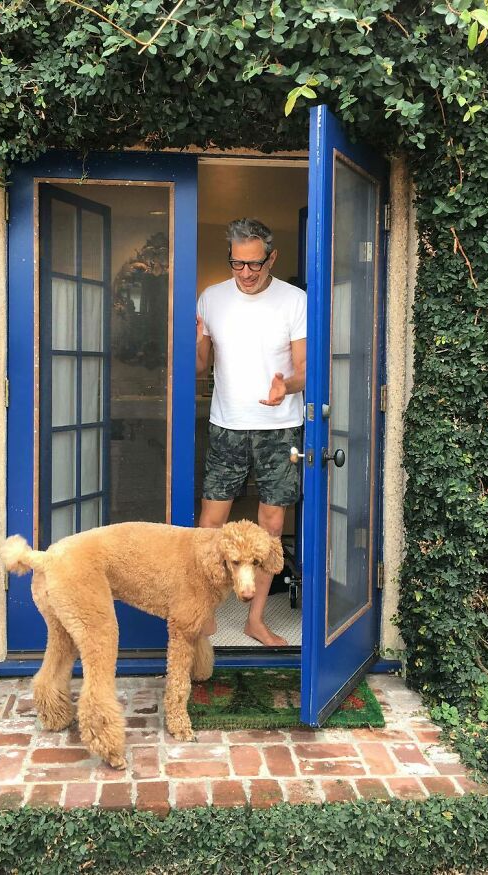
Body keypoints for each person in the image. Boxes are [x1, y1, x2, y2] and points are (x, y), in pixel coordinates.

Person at [196, 218, 306, 646]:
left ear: (271, 258)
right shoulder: (211, 298)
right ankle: (204, 614)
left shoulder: (295, 301)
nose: (245, 273)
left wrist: (286, 387)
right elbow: (199, 366)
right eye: (237, 264)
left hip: (280, 428)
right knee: (211, 525)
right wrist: (194, 341)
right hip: (227, 426)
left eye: (254, 264)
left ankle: (255, 621)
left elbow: (305, 370)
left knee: (271, 527)